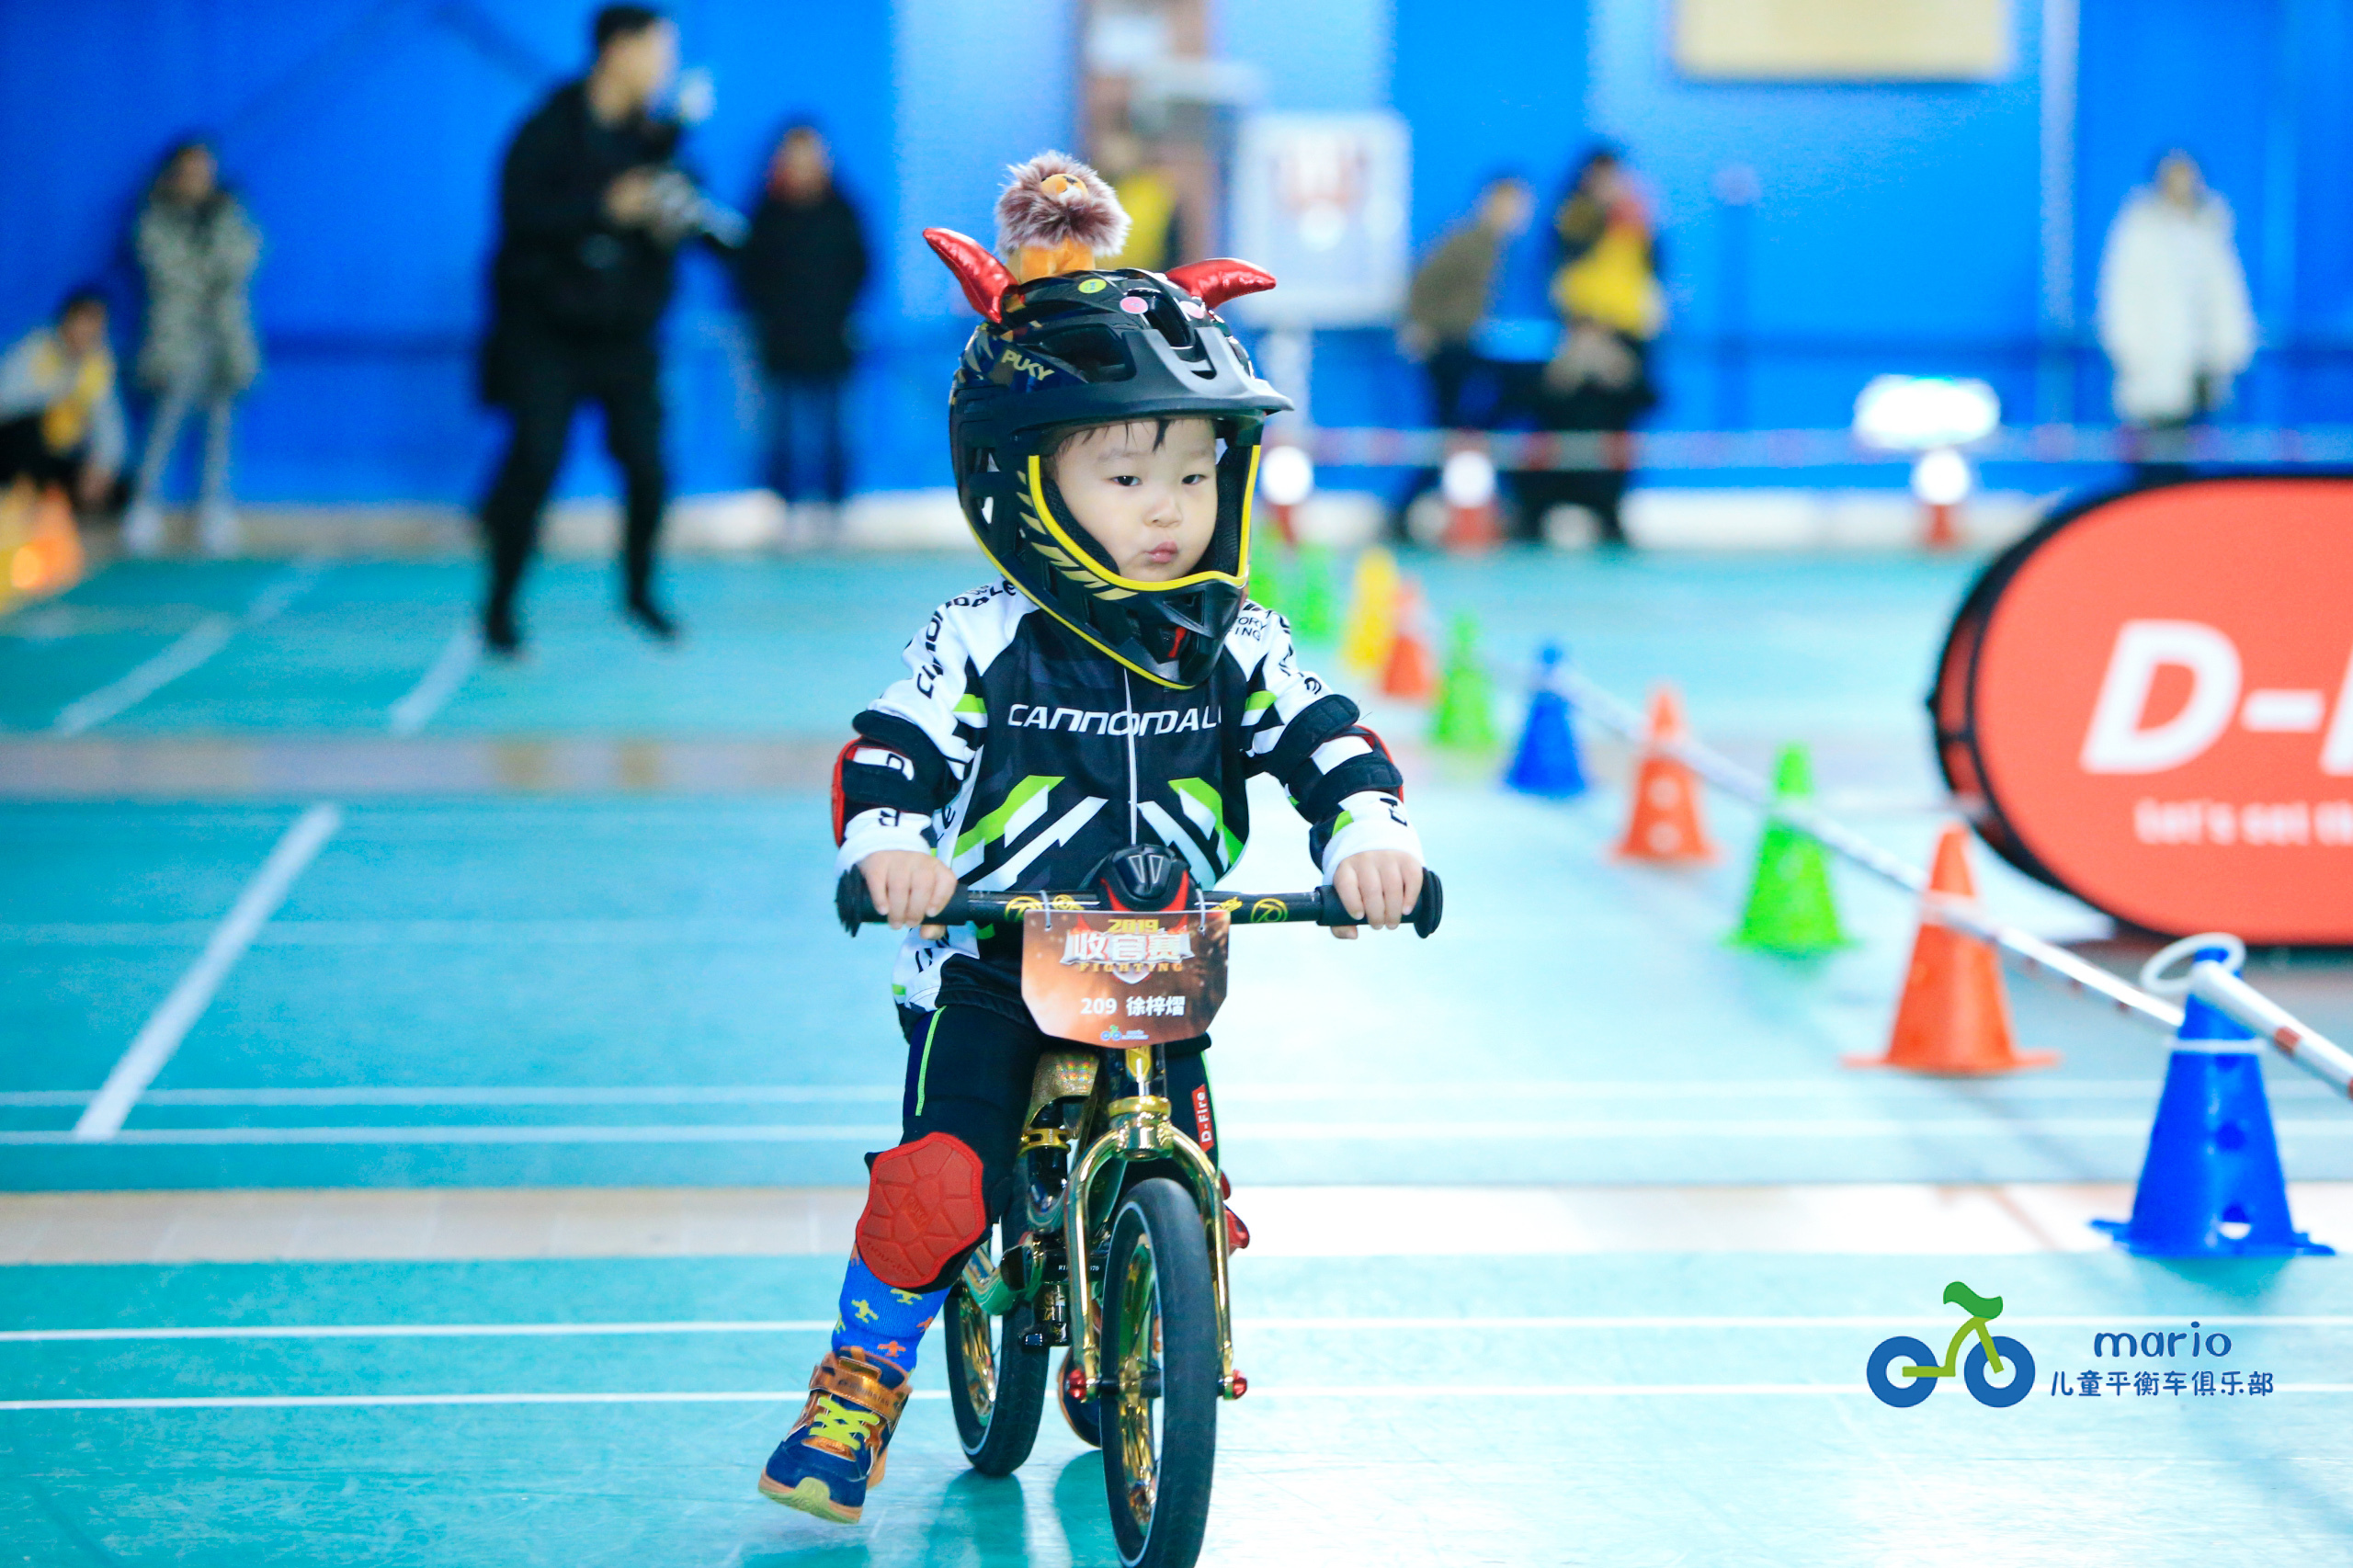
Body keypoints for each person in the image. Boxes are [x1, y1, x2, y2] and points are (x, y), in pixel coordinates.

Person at [756, 153, 1425, 1525]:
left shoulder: (1232, 636)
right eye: (1126, 473)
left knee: (1198, 1177)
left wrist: (1367, 830)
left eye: (1193, 470)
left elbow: (1328, 735)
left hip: (1163, 955)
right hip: (997, 960)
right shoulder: (981, 636)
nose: (1170, 506)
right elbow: (890, 750)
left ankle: (1151, 1297)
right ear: (1025, 480)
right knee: (941, 1184)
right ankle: (855, 1387)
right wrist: (891, 845)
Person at [478, 4, 692, 656]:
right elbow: (519, 220)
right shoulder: (545, 131)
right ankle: (500, 606)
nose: (666, 67)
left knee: (649, 468)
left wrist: (668, 223)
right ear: (618, 49)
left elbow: (670, 226)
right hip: (548, 335)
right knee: (535, 463)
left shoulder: (652, 141)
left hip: (624, 337)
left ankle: (638, 593)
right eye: (657, 52)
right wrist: (603, 208)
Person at [121, 139, 262, 558]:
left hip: (224, 336)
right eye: (190, 172)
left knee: (221, 425)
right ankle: (143, 505)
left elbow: (244, 257)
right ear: (173, 174)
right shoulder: (156, 215)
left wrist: (213, 253)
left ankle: (214, 508)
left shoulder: (228, 213)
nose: (198, 180)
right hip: (177, 335)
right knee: (166, 420)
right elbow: (165, 267)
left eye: (205, 171)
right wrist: (208, 272)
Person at [1522, 146, 1664, 548]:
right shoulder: (1577, 215)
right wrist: (1586, 333)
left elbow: (1651, 274)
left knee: (1620, 428)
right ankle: (1540, 511)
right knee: (1568, 423)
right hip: (1582, 334)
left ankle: (1610, 512)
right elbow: (1566, 270)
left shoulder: (1637, 220)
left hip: (1629, 333)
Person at [735, 121, 869, 534]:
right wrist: (771, 317)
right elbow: (748, 274)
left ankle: (835, 510)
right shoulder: (766, 214)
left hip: (832, 340)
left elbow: (860, 267)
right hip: (781, 344)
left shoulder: (842, 212)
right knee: (782, 431)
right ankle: (785, 509)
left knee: (835, 430)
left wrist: (838, 312)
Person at [2097, 150, 2256, 483]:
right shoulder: (2138, 231)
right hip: (2154, 369)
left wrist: (2230, 351)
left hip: (2200, 370)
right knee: (2154, 462)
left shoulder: (2210, 228)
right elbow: (2120, 298)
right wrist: (2131, 354)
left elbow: (2226, 297)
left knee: (2194, 464)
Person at [1392, 173, 1533, 538]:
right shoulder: (1469, 241)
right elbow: (1424, 280)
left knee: (1456, 428)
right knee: (1448, 431)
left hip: (1463, 342)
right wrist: (1418, 324)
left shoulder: (1494, 245)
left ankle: (1410, 508)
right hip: (1448, 343)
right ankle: (1404, 510)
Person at [0, 290, 127, 511]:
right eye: (84, 323)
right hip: (15, 447)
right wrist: (59, 391)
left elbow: (110, 427)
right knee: (28, 429)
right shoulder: (36, 350)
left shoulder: (96, 365)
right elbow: (6, 403)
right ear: (66, 321)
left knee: (119, 488)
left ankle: (53, 499)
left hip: (54, 454)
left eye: (96, 326)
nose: (88, 333)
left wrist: (102, 468)